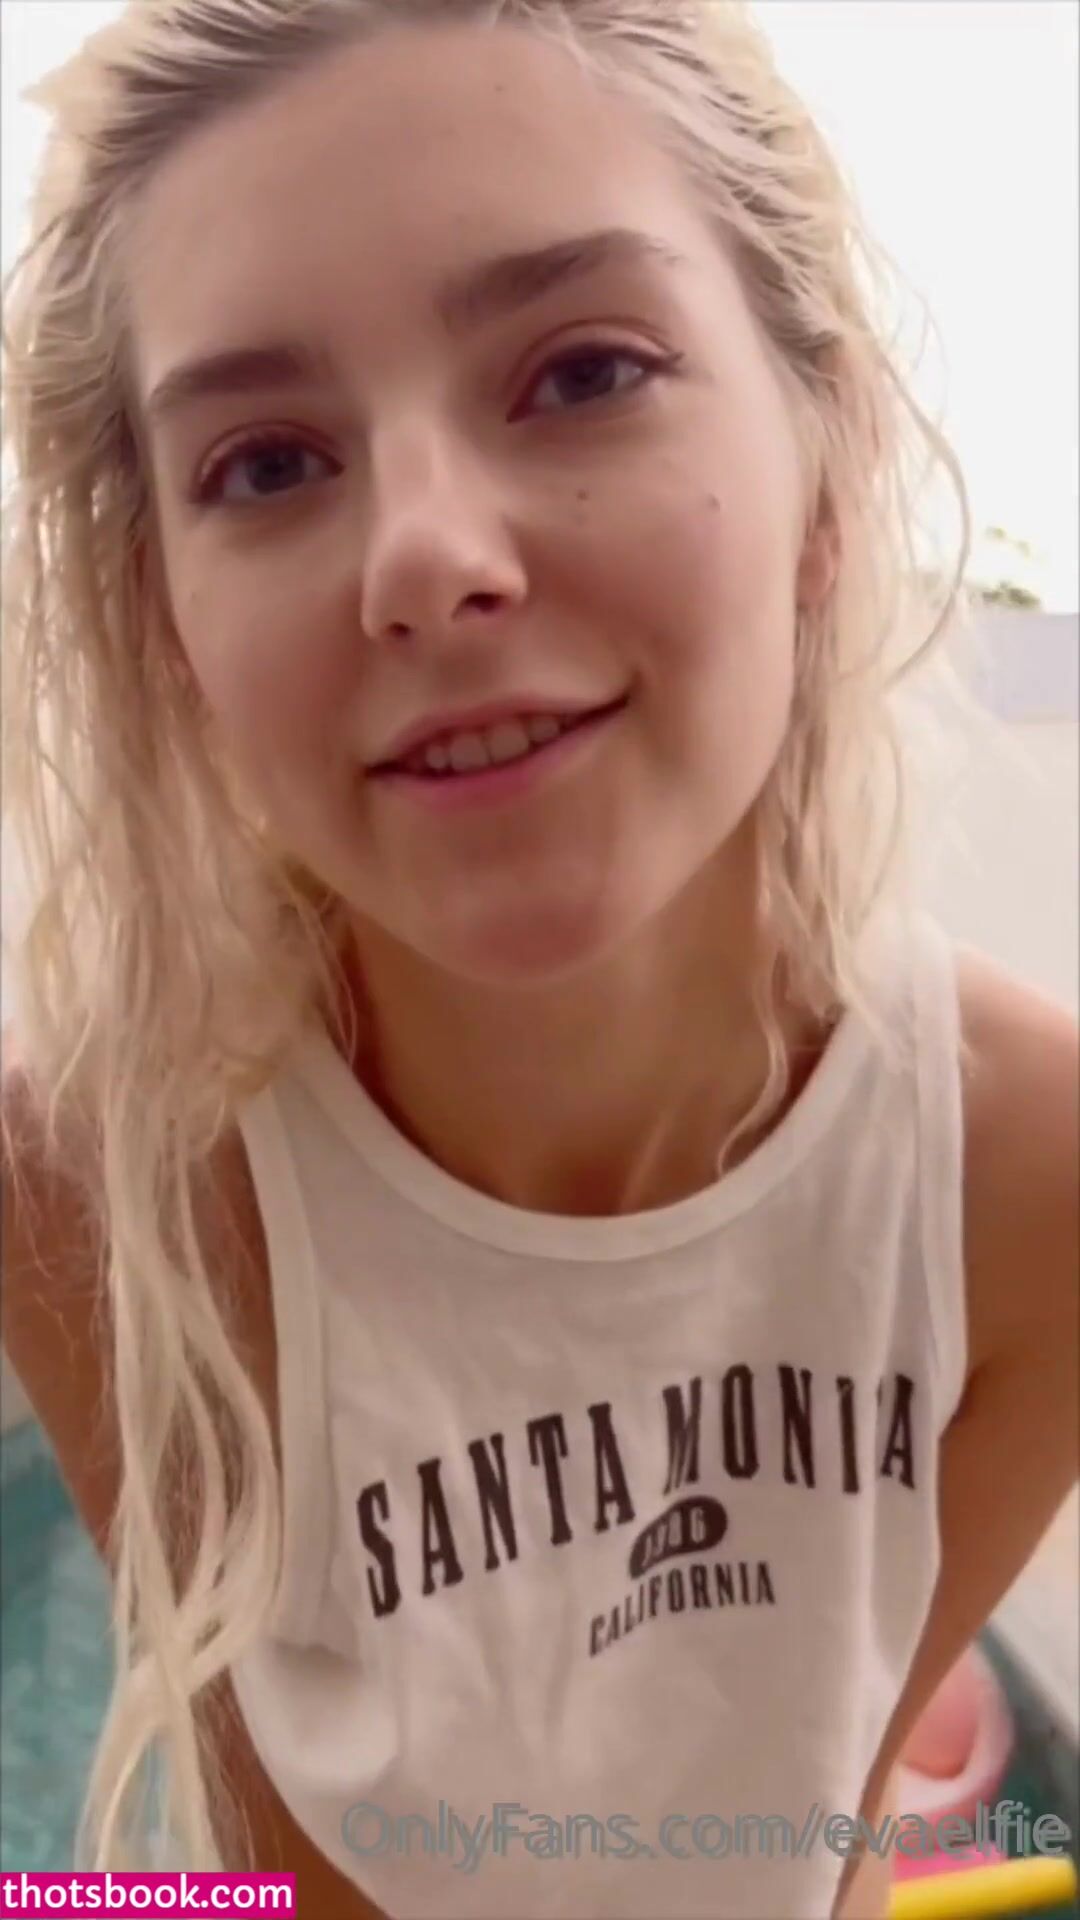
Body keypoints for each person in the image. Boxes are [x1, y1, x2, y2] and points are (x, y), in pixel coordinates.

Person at [1, 1, 1076, 1915]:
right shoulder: (92, 1187)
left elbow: (809, 1839)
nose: (425, 557)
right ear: (168, 622)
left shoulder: (1033, 1174)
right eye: (265, 465)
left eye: (584, 371)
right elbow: (283, 1876)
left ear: (828, 464)